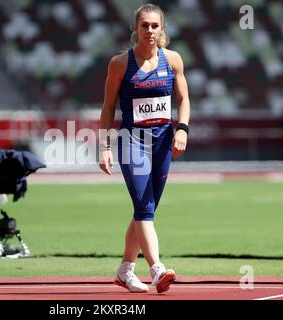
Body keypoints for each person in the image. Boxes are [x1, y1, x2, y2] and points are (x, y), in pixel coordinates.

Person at [98, 4, 190, 294]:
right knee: (144, 208)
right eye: (144, 26)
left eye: (155, 26)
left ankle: (125, 270)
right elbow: (108, 107)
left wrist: (182, 129)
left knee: (145, 210)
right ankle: (157, 269)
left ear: (162, 29)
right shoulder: (120, 64)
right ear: (135, 29)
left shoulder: (173, 60)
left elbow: (184, 99)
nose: (150, 31)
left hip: (162, 142)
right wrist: (104, 146)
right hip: (132, 142)